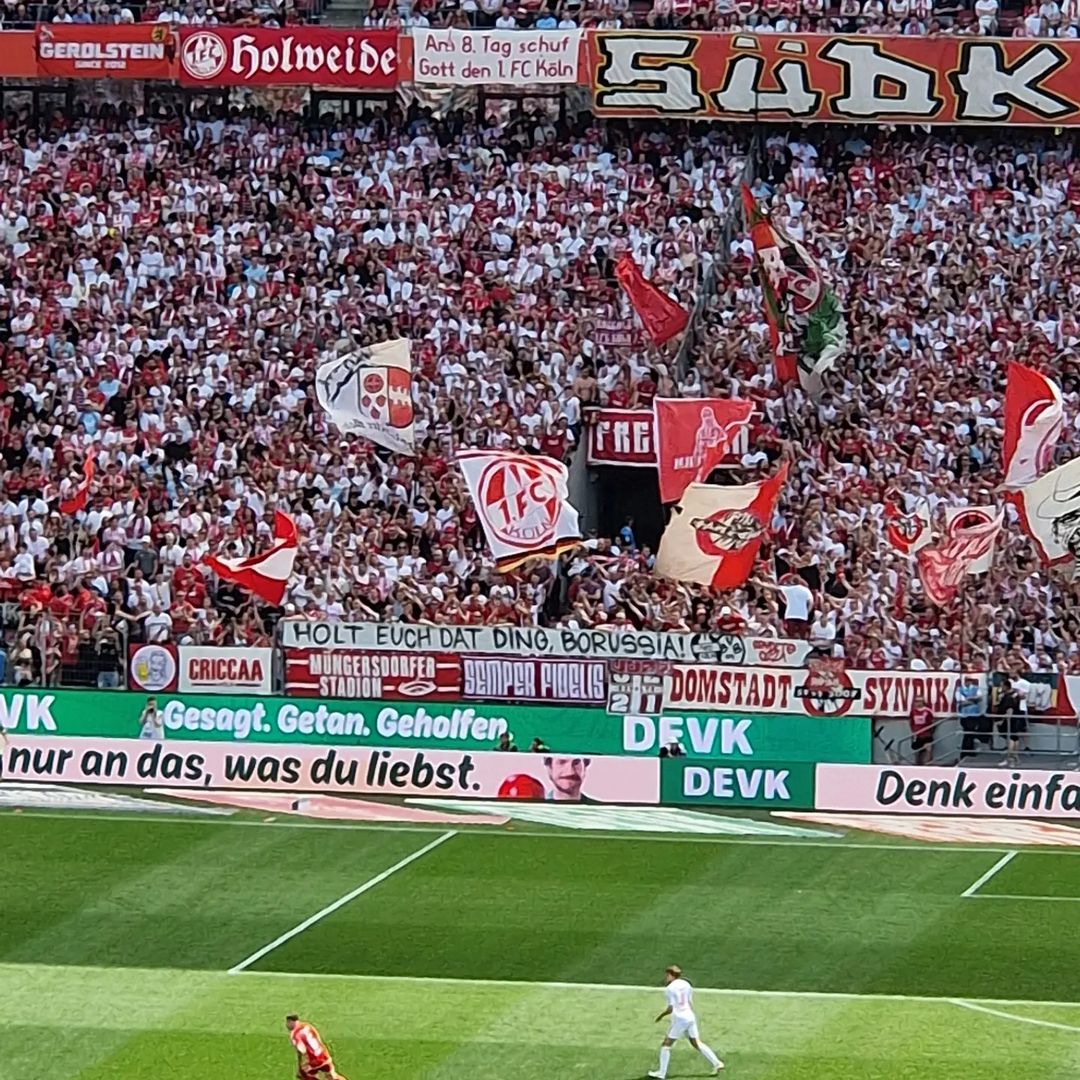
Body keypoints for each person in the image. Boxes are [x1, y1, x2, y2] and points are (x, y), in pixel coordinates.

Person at [648, 965, 724, 1078]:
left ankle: (661, 1073)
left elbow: (671, 1008)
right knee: (696, 1043)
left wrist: (661, 1016)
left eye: (667, 975)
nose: (666, 978)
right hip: (690, 1016)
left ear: (671, 975)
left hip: (680, 1019)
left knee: (666, 1045)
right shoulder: (686, 984)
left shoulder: (670, 989)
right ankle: (717, 1063)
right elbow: (690, 1002)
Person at [285, 1015, 347, 1080]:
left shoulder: (294, 1034)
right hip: (323, 1056)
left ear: (290, 1022)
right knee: (333, 1077)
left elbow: (302, 1050)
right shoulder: (307, 1026)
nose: (287, 1025)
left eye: (287, 1023)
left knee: (304, 1075)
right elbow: (318, 1038)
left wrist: (300, 1066)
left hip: (312, 1061)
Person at [993, 676, 1026, 768]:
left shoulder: (1009, 697)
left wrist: (1003, 721)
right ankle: (1015, 757)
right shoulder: (1014, 693)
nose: (1000, 688)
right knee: (1015, 738)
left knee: (1011, 739)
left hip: (1010, 720)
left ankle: (1010, 759)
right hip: (1015, 719)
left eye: (1002, 686)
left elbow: (1009, 710)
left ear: (1006, 686)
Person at [908, 691, 935, 765]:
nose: (918, 703)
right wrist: (914, 731)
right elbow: (911, 722)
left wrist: (929, 732)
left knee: (929, 750)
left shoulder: (928, 711)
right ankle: (917, 766)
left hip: (927, 735)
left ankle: (928, 766)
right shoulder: (913, 712)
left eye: (920, 701)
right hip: (917, 735)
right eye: (916, 701)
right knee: (917, 752)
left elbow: (932, 723)